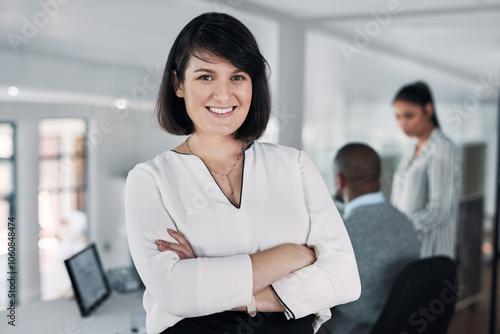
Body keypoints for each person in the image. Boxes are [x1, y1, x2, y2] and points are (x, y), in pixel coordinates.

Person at [124, 12, 360, 334]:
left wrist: (208, 280)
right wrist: (292, 255)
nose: (223, 95)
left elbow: (344, 279)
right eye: (206, 77)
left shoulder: (295, 166)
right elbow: (174, 293)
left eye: (237, 77)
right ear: (178, 83)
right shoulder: (150, 179)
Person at [320, 143, 420, 334]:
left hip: (348, 328)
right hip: (397, 324)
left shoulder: (341, 233)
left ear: (339, 180)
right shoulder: (405, 222)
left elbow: (322, 300)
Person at [391, 81, 461, 260]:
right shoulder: (410, 150)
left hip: (432, 253)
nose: (402, 123)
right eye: (398, 117)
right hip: (408, 250)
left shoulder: (443, 148)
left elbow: (439, 212)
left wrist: (399, 228)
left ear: (428, 110)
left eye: (409, 115)